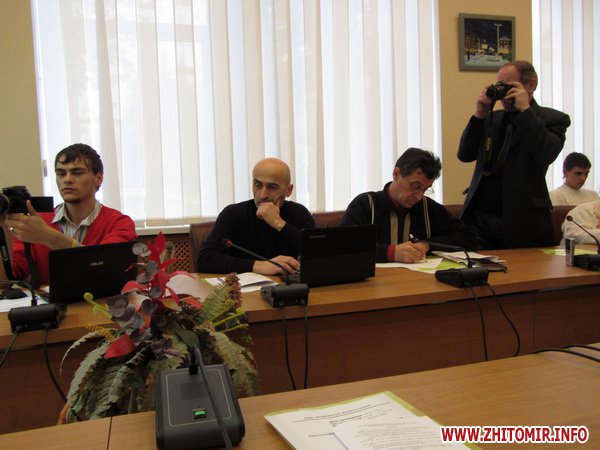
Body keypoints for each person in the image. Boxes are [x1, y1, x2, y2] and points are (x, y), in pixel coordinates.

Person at [458, 60, 571, 249]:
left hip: (523, 220)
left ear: (531, 85)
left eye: (508, 86)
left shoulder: (553, 119)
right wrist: (480, 114)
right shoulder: (493, 118)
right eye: (499, 85)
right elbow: (465, 154)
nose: (503, 92)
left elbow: (546, 154)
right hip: (481, 219)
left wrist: (525, 111)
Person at [0, 143, 137, 286]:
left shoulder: (119, 223)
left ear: (99, 178)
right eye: (61, 174)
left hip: (101, 299)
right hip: (49, 300)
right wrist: (4, 228)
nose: (67, 179)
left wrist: (49, 237)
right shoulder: (36, 223)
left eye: (77, 173)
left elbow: (104, 268)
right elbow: (4, 281)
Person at [339, 148, 476, 263]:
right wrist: (391, 253)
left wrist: (427, 245)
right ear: (396, 174)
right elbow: (342, 246)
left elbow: (468, 238)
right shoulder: (366, 205)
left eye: (425, 189)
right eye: (415, 186)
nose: (419, 196)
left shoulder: (428, 208)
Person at [197, 158, 315, 275]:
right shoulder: (233, 213)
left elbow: (318, 256)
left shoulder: (299, 213)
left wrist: (278, 223)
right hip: (244, 285)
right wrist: (258, 266)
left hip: (288, 285)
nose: (262, 195)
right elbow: (205, 260)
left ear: (288, 190)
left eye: (272, 187)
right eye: (258, 185)